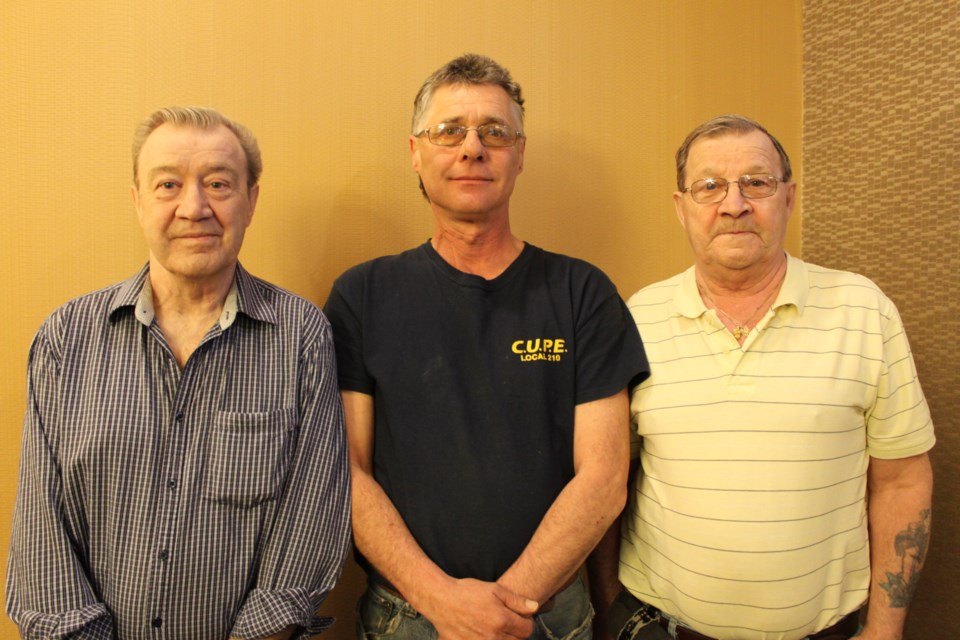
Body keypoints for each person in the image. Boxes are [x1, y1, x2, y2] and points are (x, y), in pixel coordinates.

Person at [323, 53, 649, 640]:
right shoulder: (361, 295)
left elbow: (603, 477)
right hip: (406, 616)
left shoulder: (582, 292)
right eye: (449, 131)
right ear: (416, 152)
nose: (472, 148)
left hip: (548, 616)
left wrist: (508, 605)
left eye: (494, 132)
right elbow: (347, 473)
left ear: (520, 154)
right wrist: (441, 601)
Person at [6, 106, 352, 640]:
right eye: (168, 184)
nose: (194, 208)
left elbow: (310, 527)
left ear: (251, 200)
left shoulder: (300, 337)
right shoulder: (65, 339)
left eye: (218, 183)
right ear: (138, 200)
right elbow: (40, 538)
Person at [601, 115, 935, 640]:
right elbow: (608, 480)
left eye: (756, 183)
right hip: (659, 626)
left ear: (789, 198)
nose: (734, 204)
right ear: (681, 207)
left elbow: (903, 481)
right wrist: (610, 609)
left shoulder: (864, 309)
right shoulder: (636, 318)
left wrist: (886, 629)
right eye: (709, 187)